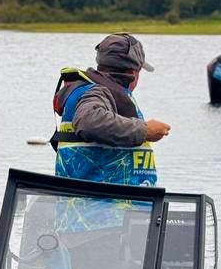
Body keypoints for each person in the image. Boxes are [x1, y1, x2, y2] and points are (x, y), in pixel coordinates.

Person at [52, 33, 170, 186]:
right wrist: (144, 130)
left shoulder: (102, 91)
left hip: (118, 199)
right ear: (133, 73)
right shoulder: (97, 92)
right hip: (98, 200)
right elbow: (88, 121)